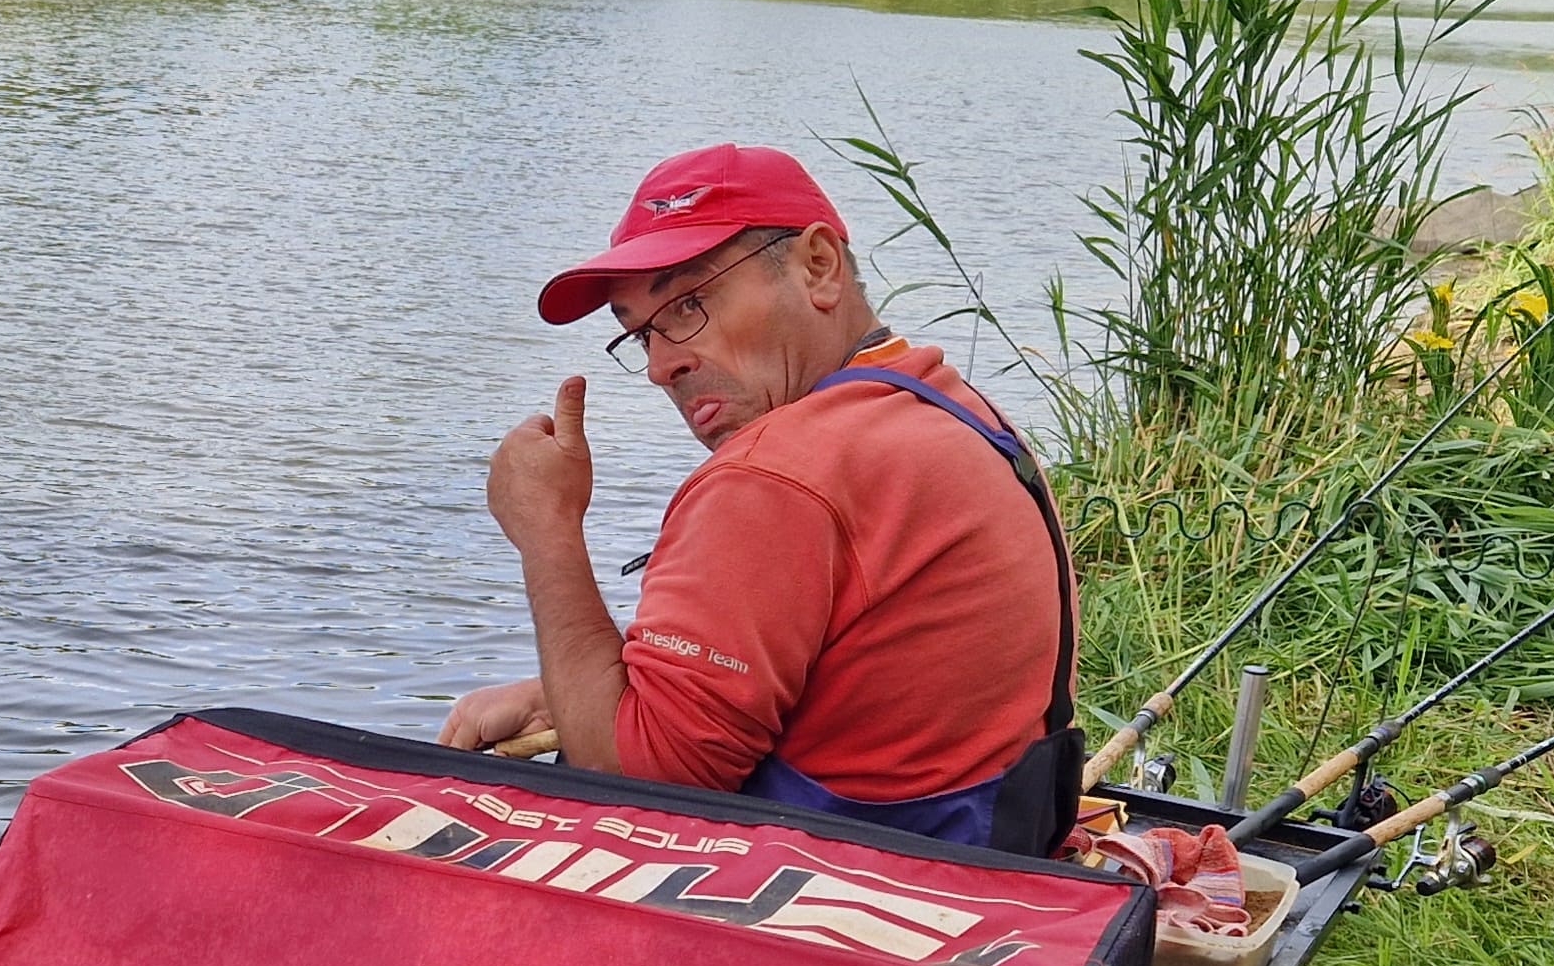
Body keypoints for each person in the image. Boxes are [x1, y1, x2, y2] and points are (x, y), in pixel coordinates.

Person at [438, 141, 1083, 854]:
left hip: (850, 882)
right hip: (983, 858)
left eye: (689, 304)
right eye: (641, 335)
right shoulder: (954, 409)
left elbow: (641, 791)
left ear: (818, 266)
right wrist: (566, 697)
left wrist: (548, 534)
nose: (661, 366)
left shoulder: (774, 476)